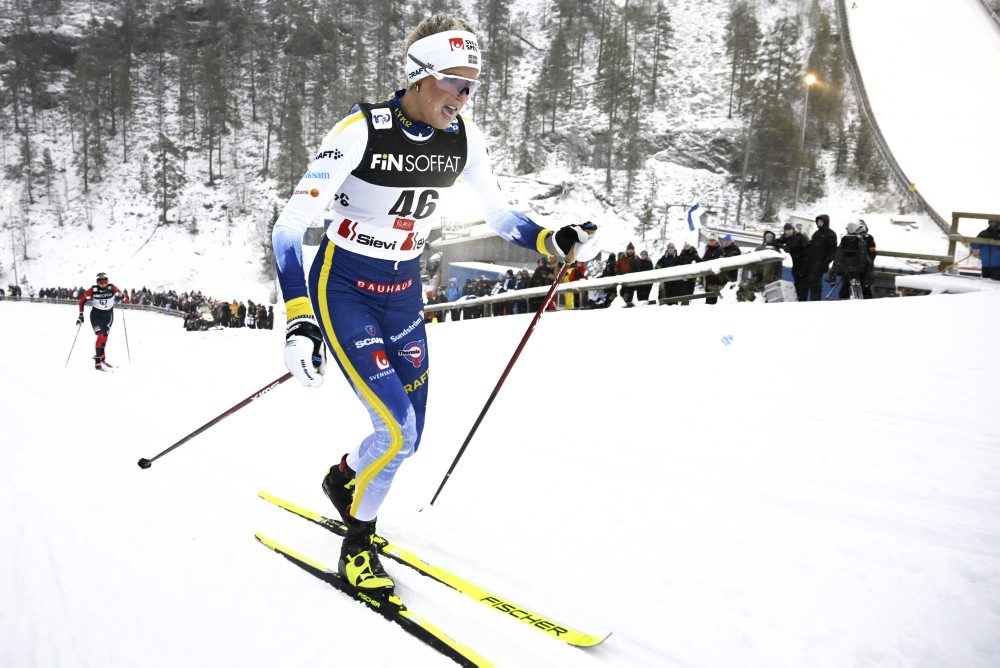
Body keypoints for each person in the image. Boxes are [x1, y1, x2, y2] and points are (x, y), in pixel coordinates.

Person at [270, 15, 598, 596]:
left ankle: (344, 478)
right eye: (454, 83)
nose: (464, 97)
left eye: (473, 85)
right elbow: (289, 228)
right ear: (420, 76)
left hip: (403, 292)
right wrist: (299, 318)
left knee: (411, 433)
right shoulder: (359, 132)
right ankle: (358, 545)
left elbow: (498, 215)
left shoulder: (465, 138)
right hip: (343, 285)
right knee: (395, 431)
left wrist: (550, 238)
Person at [77, 272, 124, 370]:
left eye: (105, 281)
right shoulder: (93, 290)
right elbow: (82, 300)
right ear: (97, 282)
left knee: (104, 338)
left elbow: (123, 295)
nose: (103, 283)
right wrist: (81, 315)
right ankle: (97, 360)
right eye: (101, 281)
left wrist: (121, 296)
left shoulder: (112, 288)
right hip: (96, 315)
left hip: (108, 315)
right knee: (100, 335)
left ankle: (102, 356)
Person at [831, 221, 873, 299]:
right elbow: (866, 257)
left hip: (849, 270)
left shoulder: (846, 240)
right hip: (857, 270)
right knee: (864, 291)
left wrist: (836, 270)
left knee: (845, 292)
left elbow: (838, 256)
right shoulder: (860, 240)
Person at [774, 222, 810, 300]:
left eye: (789, 230)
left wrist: (792, 249)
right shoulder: (786, 237)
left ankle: (803, 302)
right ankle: (798, 300)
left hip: (805, 264)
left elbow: (807, 251)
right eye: (786, 230)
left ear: (793, 230)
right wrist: (783, 246)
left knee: (803, 287)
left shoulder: (801, 237)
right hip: (796, 265)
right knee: (796, 285)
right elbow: (776, 242)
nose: (788, 232)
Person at [805, 214, 837, 301]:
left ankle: (816, 300)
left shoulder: (831, 234)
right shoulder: (816, 233)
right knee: (811, 283)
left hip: (821, 263)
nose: (819, 223)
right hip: (812, 262)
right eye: (818, 222)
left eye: (821, 222)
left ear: (825, 222)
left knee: (817, 284)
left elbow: (832, 251)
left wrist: (825, 263)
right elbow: (812, 246)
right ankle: (812, 299)